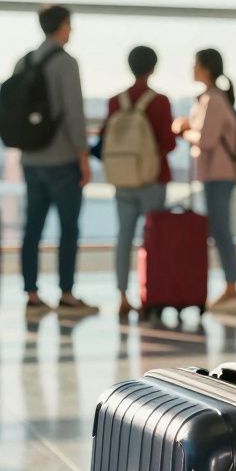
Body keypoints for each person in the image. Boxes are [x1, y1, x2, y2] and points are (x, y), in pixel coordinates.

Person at [18, 5, 98, 315]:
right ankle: (66, 293)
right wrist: (83, 157)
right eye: (69, 24)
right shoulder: (66, 63)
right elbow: (74, 114)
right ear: (62, 26)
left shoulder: (24, 61)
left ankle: (32, 294)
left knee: (32, 229)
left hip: (31, 159)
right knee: (68, 228)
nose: (71, 30)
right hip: (62, 159)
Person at [103, 46, 176, 318]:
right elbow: (168, 143)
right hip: (152, 180)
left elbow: (104, 139)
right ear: (153, 68)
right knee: (153, 240)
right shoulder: (160, 102)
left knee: (124, 237)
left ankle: (122, 296)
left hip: (123, 180)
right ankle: (152, 295)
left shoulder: (115, 101)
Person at [174, 48, 236, 313]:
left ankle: (231, 289)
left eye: (196, 64)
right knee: (219, 230)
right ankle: (228, 287)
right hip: (215, 175)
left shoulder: (213, 99)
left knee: (222, 231)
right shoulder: (210, 98)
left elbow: (206, 139)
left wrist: (184, 130)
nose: (192, 68)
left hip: (218, 175)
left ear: (206, 68)